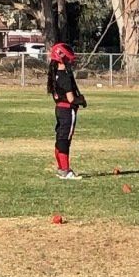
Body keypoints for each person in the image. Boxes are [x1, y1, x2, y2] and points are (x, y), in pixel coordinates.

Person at [46, 41, 84, 178]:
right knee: (65, 139)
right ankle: (65, 170)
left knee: (60, 137)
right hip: (68, 110)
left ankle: (61, 168)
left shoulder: (55, 74)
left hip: (59, 109)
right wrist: (82, 100)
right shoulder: (64, 76)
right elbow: (71, 98)